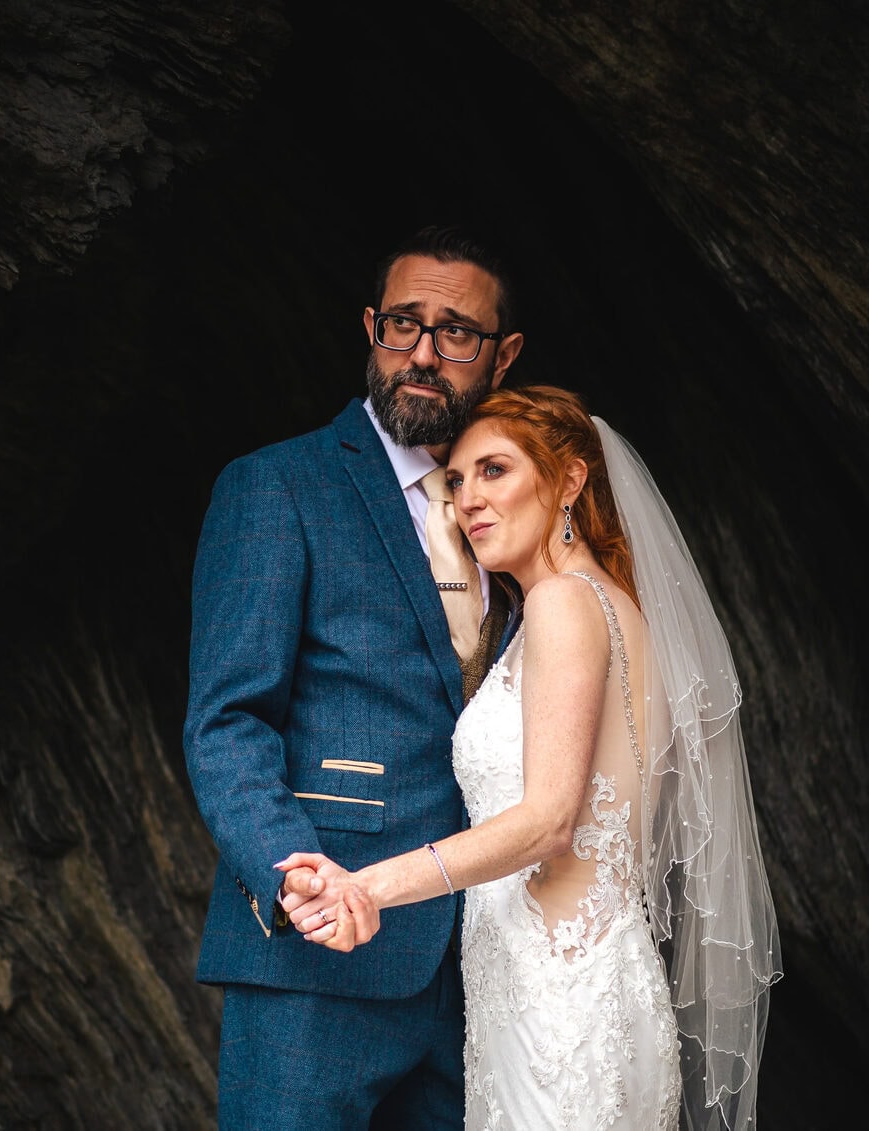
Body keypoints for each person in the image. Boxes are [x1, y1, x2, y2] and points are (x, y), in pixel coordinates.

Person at [278, 386, 782, 1130]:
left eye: (495, 471)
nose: (468, 498)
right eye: (455, 481)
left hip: (560, 1013)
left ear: (570, 479)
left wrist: (368, 885)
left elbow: (549, 821)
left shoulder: (561, 604)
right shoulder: (610, 606)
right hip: (582, 993)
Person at [182, 226, 525, 1127]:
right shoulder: (276, 486)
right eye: (402, 324)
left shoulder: (515, 515)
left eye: (456, 333)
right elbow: (227, 721)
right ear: (370, 326)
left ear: (503, 355)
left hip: (486, 968)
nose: (422, 352)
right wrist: (292, 874)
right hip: (318, 954)